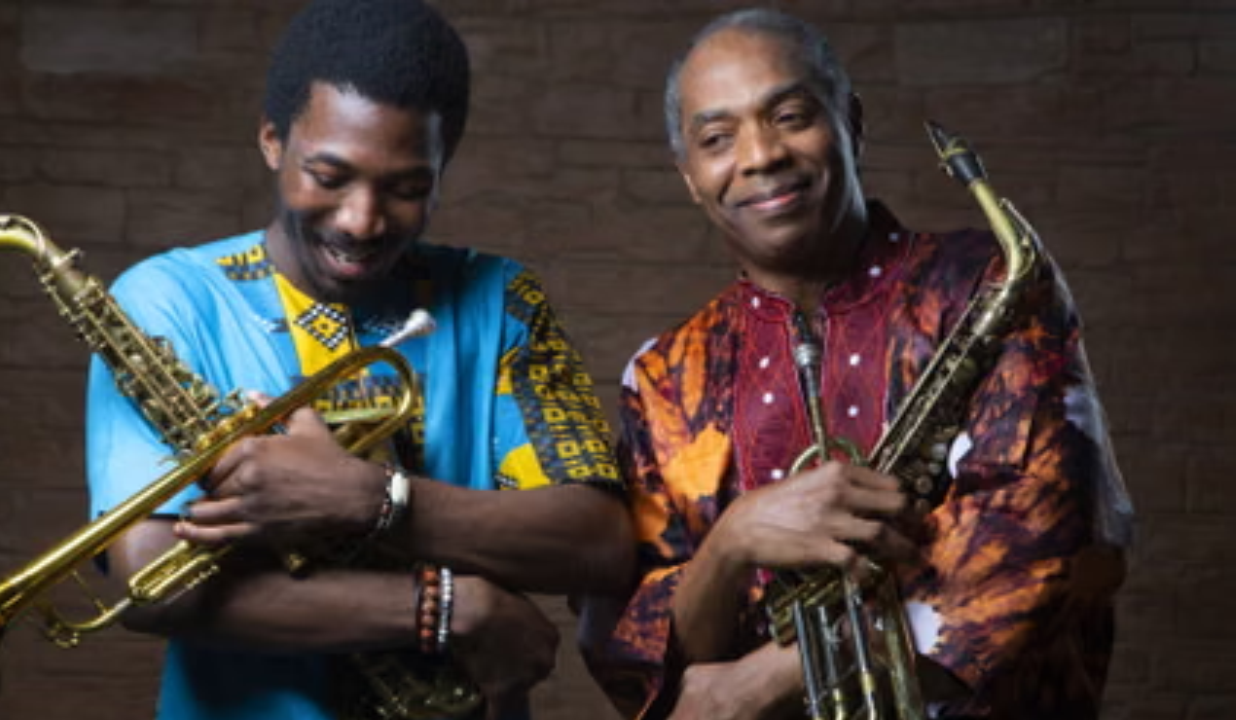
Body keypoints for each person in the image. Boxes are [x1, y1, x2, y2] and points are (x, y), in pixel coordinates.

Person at [579, 8, 1133, 720]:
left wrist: (769, 678)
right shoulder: (662, 377)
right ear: (689, 175)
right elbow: (631, 656)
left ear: (851, 121)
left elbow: (1039, 537)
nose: (760, 155)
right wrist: (732, 541)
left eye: (790, 116)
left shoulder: (984, 283)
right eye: (718, 139)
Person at [84, 1, 632, 719]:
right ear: (272, 140)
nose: (362, 220)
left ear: (443, 167)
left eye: (407, 188)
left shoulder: (503, 299)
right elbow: (153, 577)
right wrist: (445, 608)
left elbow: (601, 542)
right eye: (329, 176)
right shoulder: (168, 302)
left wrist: (368, 498)